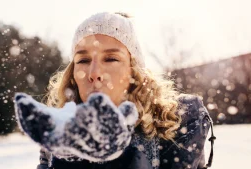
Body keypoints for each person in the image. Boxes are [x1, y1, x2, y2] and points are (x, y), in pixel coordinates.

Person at [14, 12, 215, 169]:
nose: (94, 73)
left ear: (133, 72)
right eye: (83, 60)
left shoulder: (177, 123)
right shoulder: (59, 132)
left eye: (110, 58)